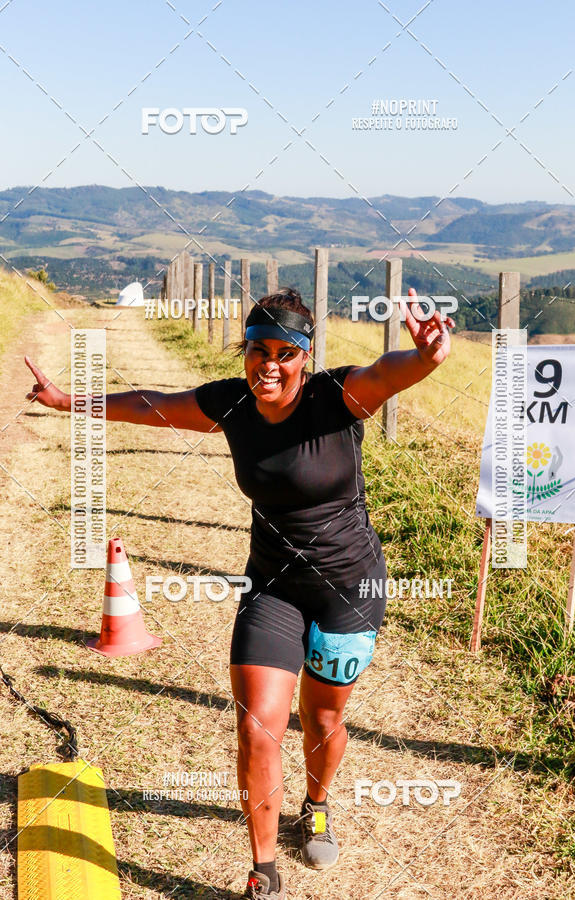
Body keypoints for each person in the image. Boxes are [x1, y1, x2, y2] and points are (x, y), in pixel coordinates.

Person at [25, 285, 454, 899]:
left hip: (349, 589)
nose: (270, 365)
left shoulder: (337, 398)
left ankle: (317, 803)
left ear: (306, 357)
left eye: (286, 352)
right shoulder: (231, 403)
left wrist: (426, 359)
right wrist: (68, 400)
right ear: (245, 351)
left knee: (323, 716)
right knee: (258, 727)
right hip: (273, 585)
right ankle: (265, 870)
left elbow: (388, 373)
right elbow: (151, 406)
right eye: (258, 350)